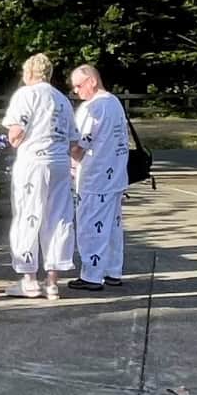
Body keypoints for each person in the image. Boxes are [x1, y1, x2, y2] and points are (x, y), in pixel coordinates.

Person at [0, 52, 76, 300]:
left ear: (29, 73)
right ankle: (52, 280)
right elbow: (73, 138)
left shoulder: (26, 94)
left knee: (28, 215)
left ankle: (29, 279)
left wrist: (16, 140)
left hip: (34, 161)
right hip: (59, 161)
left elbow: (15, 132)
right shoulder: (62, 99)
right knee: (58, 217)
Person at [68, 63, 130, 290]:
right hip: (115, 174)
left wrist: (69, 155)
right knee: (113, 226)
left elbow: (80, 143)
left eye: (78, 85)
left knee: (91, 225)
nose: (76, 91)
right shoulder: (114, 102)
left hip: (95, 176)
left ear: (92, 81)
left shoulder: (92, 108)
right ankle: (113, 270)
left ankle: (92, 275)